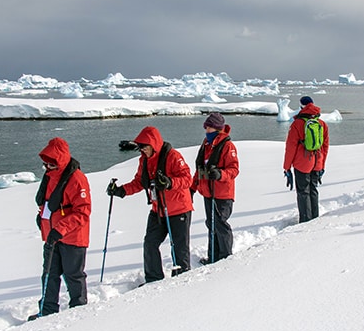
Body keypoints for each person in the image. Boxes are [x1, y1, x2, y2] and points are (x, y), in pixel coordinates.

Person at [107, 126, 194, 282]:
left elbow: (187, 179)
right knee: (150, 244)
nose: (142, 150)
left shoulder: (173, 156)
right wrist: (121, 191)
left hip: (179, 209)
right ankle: (154, 279)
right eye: (140, 147)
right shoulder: (144, 160)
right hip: (158, 210)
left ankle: (182, 279)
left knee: (179, 248)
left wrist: (169, 183)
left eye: (144, 147)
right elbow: (139, 182)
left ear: (153, 144)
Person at [30, 137, 91, 320]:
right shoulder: (50, 177)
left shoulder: (77, 179)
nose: (47, 167)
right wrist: (42, 219)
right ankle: (47, 311)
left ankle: (78, 310)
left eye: (50, 164)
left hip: (72, 237)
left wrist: (61, 228)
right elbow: (48, 204)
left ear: (60, 160)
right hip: (52, 235)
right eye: (45, 164)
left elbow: (83, 211)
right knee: (49, 273)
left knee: (73, 275)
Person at [192, 113, 239, 264]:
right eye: (206, 127)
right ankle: (213, 256)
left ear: (218, 128)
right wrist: (192, 187)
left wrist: (220, 174)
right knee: (211, 224)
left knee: (220, 224)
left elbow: (234, 169)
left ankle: (225, 257)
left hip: (222, 193)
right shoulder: (206, 144)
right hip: (208, 192)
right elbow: (200, 169)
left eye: (209, 127)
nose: (206, 130)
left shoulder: (228, 146)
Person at [283, 96, 329, 223]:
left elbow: (290, 147)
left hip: (302, 163)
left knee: (303, 192)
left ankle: (305, 220)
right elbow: (325, 146)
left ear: (301, 106)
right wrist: (322, 165)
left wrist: (286, 167)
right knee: (313, 189)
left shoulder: (297, 124)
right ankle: (315, 217)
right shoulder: (322, 124)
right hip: (317, 161)